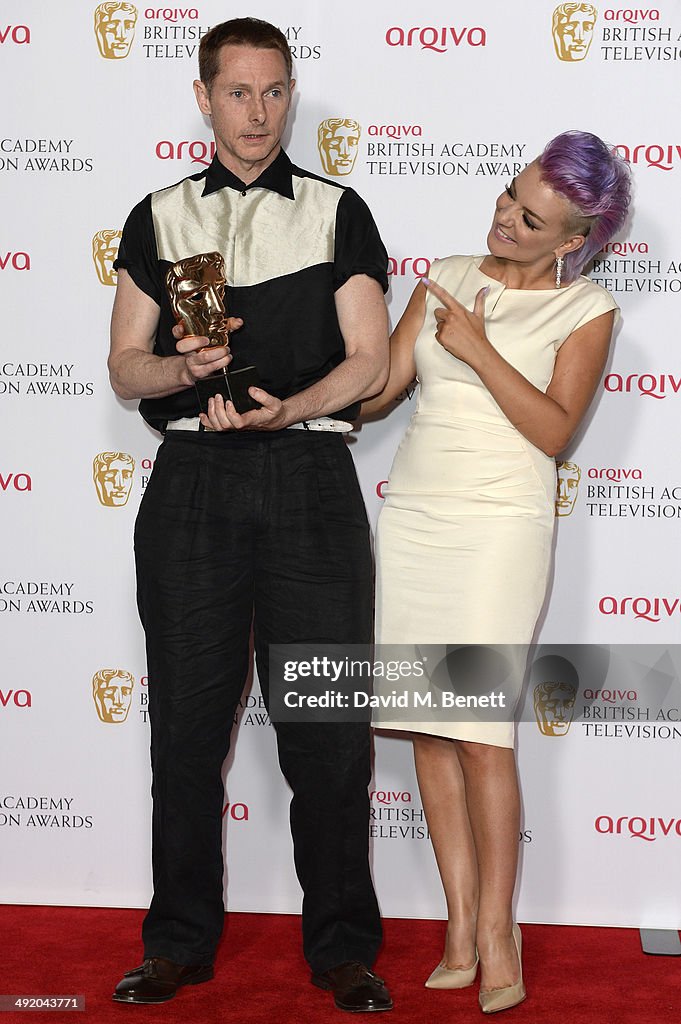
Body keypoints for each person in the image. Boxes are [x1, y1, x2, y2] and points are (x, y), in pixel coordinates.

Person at [107, 17, 392, 1013]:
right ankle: (179, 943)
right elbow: (124, 366)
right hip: (191, 487)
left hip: (310, 482)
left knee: (328, 727)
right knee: (185, 732)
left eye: (274, 92)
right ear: (204, 97)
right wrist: (180, 368)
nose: (259, 112)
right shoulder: (158, 215)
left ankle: (345, 948)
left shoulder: (335, 210)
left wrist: (295, 404)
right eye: (238, 92)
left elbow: (372, 358)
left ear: (291, 96)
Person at [364, 131, 631, 1013]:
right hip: (414, 524)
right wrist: (298, 380)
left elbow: (555, 432)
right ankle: (456, 919)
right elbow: (382, 390)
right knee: (428, 729)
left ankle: (496, 932)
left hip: (497, 534)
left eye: (530, 218)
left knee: (479, 731)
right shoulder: (442, 272)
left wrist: (477, 346)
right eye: (507, 196)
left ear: (570, 242)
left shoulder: (586, 311)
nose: (503, 220)